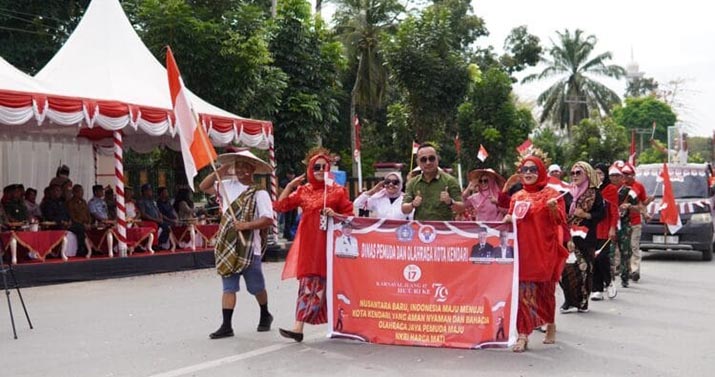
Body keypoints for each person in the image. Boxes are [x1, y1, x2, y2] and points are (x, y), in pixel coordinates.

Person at [273, 148, 354, 342]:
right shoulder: (303, 191)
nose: (319, 170)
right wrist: (290, 187)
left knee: (331, 287)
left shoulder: (336, 191)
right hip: (309, 248)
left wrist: (335, 215)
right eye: (315, 167)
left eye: (323, 167)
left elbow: (350, 216)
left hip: (330, 247)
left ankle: (340, 325)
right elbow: (280, 206)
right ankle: (298, 327)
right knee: (308, 286)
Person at [199, 148, 275, 339]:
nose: (240, 170)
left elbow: (268, 219)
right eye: (237, 165)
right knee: (229, 286)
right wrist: (223, 169)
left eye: (244, 166)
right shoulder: (226, 186)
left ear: (253, 169)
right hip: (228, 244)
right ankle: (226, 325)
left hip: (250, 247)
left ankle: (265, 313)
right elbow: (204, 186)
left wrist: (246, 225)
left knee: (256, 287)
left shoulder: (259, 193)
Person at [502, 155, 567, 352]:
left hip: (545, 251)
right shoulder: (517, 196)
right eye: (525, 169)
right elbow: (511, 220)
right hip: (523, 253)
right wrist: (507, 218)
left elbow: (560, 221)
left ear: (540, 172)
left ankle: (550, 323)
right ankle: (523, 334)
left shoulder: (552, 194)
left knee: (545, 293)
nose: (528, 173)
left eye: (533, 169)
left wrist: (554, 210)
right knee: (523, 294)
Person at [558, 162, 605, 314]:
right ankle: (569, 300)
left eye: (579, 173)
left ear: (587, 174)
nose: (575, 176)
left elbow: (601, 214)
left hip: (586, 238)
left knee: (585, 270)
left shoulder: (594, 194)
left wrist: (585, 215)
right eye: (573, 173)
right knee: (565, 270)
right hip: (568, 237)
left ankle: (582, 302)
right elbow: (560, 214)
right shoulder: (566, 193)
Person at [402, 143, 463, 221]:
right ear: (418, 162)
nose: (428, 162)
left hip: (443, 230)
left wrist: (450, 202)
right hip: (421, 230)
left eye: (431, 158)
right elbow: (404, 209)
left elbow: (461, 208)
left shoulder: (450, 181)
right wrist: (413, 204)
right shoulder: (412, 183)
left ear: (437, 159)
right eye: (423, 159)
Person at [591, 163, 619, 301]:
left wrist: (613, 228)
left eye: (600, 173)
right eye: (595, 173)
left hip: (605, 229)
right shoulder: (589, 189)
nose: (598, 176)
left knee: (602, 257)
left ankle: (609, 281)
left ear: (605, 175)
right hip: (591, 229)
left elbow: (614, 210)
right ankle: (597, 289)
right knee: (593, 259)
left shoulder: (611, 189)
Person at [622, 164, 650, 283]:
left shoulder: (639, 186)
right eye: (623, 174)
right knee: (624, 247)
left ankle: (635, 270)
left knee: (634, 246)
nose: (625, 176)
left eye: (627, 174)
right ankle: (625, 269)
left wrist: (645, 212)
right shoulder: (619, 187)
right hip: (622, 222)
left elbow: (643, 203)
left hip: (635, 221)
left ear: (633, 175)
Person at [137, 184, 172, 250]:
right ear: (145, 191)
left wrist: (160, 218)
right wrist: (156, 220)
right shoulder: (141, 201)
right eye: (149, 190)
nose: (151, 192)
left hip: (157, 220)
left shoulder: (152, 201)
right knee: (154, 225)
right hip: (148, 221)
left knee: (168, 226)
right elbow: (143, 214)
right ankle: (154, 244)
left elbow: (158, 211)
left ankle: (160, 243)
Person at [66, 184, 92, 257]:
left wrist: (89, 222)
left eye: (82, 191)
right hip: (76, 224)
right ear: (74, 192)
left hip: (86, 223)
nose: (81, 193)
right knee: (80, 229)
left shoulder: (83, 202)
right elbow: (72, 216)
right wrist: (83, 224)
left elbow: (88, 213)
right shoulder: (70, 203)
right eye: (79, 192)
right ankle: (81, 248)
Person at [279, 168, 298, 240]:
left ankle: (292, 233)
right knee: (288, 219)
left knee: (294, 219)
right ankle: (287, 234)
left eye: (293, 174)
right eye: (290, 174)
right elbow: (281, 191)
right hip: (287, 203)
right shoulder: (284, 182)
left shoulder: (295, 182)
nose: (292, 175)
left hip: (294, 203)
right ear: (287, 174)